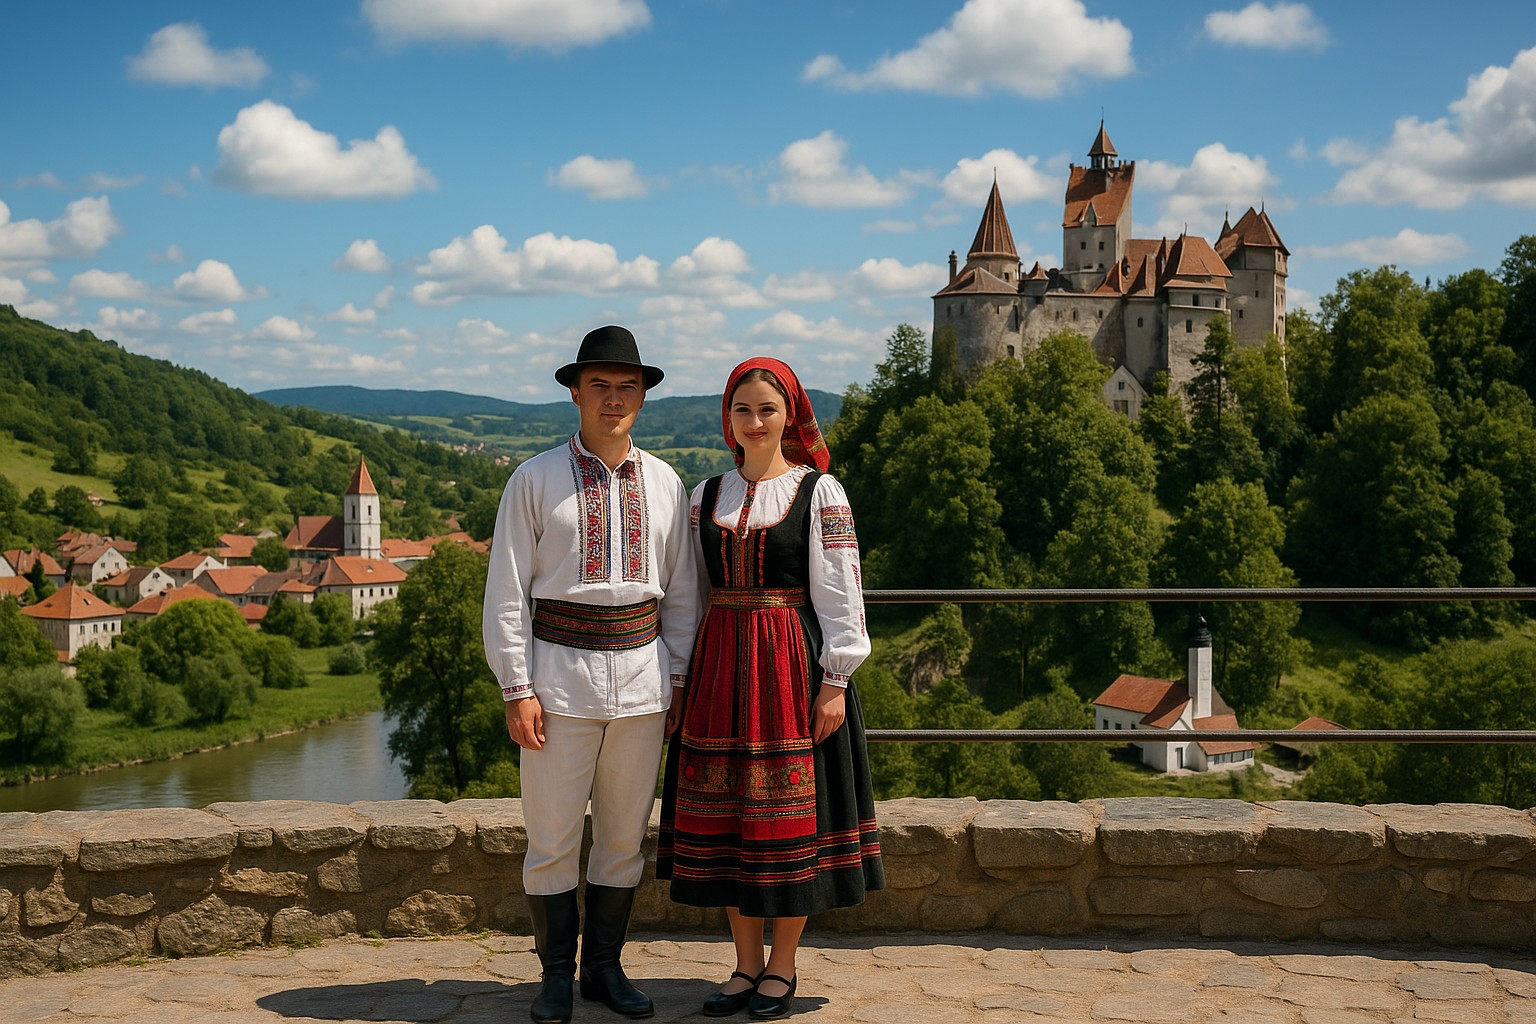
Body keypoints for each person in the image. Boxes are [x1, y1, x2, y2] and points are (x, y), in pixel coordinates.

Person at [483, 325, 700, 1024]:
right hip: (557, 683)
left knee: (621, 836)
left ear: (643, 397)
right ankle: (554, 976)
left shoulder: (666, 483)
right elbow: (507, 592)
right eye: (600, 386)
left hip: (641, 685)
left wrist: (676, 681)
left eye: (627, 387)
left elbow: (683, 593)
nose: (613, 399)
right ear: (575, 392)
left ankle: (603, 970)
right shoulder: (535, 479)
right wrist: (516, 688)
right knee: (551, 837)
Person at [658, 357, 885, 1019]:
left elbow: (842, 593)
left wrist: (835, 681)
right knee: (732, 821)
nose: (754, 422)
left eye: (766, 410)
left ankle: (781, 967)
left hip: (791, 667)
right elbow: (684, 599)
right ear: (726, 419)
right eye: (742, 410)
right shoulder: (703, 498)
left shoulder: (822, 493)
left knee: (787, 821)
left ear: (789, 417)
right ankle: (744, 965)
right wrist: (678, 680)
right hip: (719, 671)